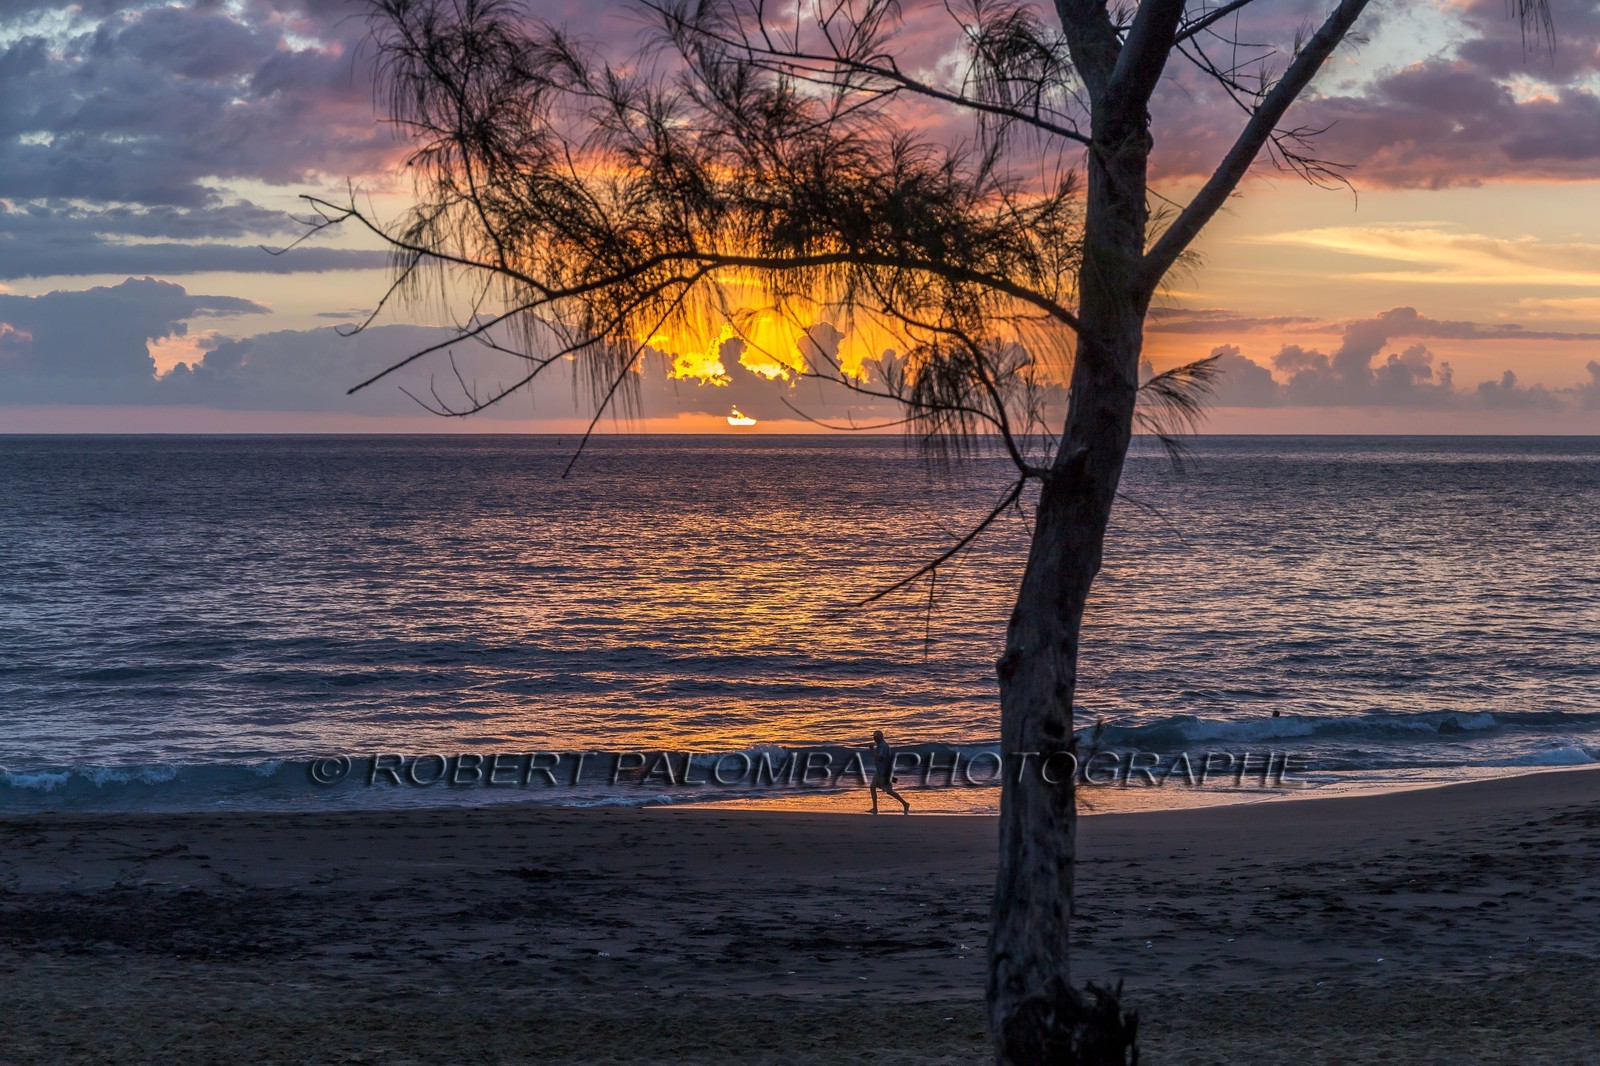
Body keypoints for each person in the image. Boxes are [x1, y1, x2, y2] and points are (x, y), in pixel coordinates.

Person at [869, 729, 910, 815]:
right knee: (872, 787)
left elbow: (879, 758)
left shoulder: (884, 746)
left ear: (881, 737)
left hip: (885, 772)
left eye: (876, 737)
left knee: (889, 791)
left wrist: (872, 750)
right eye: (874, 737)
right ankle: (875, 808)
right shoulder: (880, 746)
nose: (874, 739)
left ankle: (905, 804)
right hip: (879, 771)